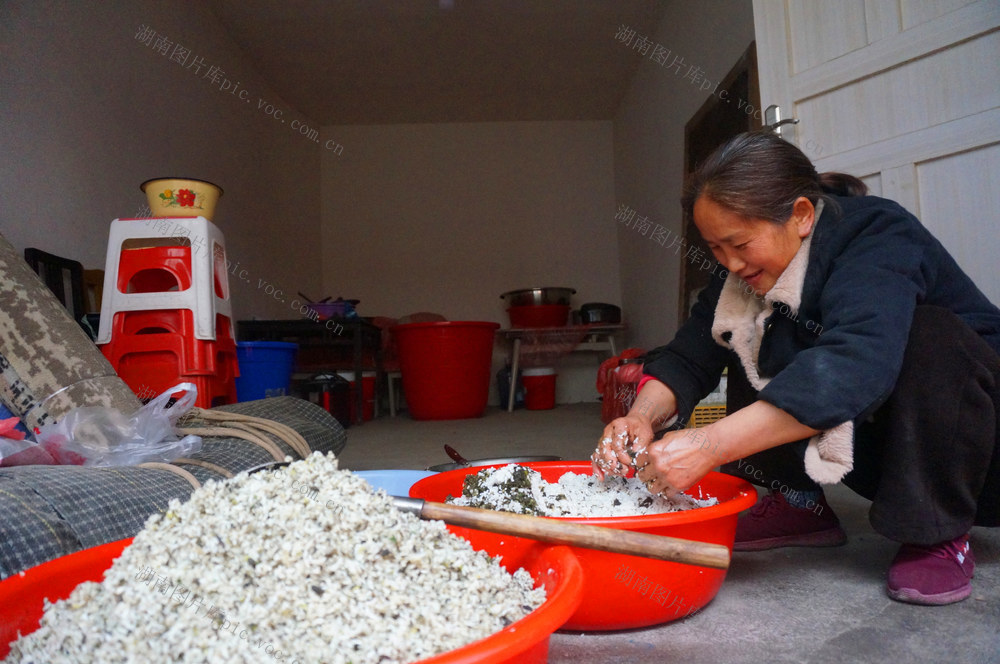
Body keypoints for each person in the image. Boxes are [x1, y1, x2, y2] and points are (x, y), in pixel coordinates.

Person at [592, 130, 1000, 606]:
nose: (730, 262)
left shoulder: (880, 234)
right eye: (716, 249)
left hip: (975, 448)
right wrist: (640, 417)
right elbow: (688, 355)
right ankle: (799, 500)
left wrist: (710, 443)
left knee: (927, 332)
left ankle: (936, 529)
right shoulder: (743, 275)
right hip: (875, 439)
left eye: (739, 243)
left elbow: (853, 365)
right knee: (747, 323)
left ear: (802, 216)